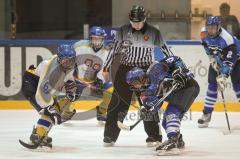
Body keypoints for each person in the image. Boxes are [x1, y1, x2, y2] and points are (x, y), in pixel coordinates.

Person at [102, 5, 168, 147]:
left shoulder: (153, 32)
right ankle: (109, 135)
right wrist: (106, 67)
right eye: (133, 22)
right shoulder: (123, 31)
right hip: (125, 69)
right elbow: (114, 50)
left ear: (144, 19)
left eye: (139, 22)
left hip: (145, 70)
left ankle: (154, 136)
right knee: (117, 102)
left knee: (148, 102)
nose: (136, 25)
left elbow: (165, 48)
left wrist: (173, 63)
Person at [126, 50, 200, 155]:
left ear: (140, 78)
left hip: (188, 86)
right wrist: (146, 109)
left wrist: (179, 71)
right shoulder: (146, 93)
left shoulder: (155, 69)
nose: (134, 87)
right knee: (166, 122)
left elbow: (175, 59)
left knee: (171, 112)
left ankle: (172, 141)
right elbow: (156, 105)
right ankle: (178, 139)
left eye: (134, 83)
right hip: (179, 93)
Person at [21, 44, 84, 148]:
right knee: (50, 111)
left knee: (53, 111)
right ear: (59, 59)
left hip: (42, 86)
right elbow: (41, 93)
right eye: (64, 60)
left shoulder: (73, 66)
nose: (67, 63)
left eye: (70, 60)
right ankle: (37, 135)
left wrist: (72, 92)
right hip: (31, 84)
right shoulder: (49, 67)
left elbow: (70, 81)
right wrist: (50, 107)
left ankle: (39, 134)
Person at [198, 16, 240, 128]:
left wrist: (224, 75)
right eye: (208, 27)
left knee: (238, 87)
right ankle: (206, 114)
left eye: (213, 28)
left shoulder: (227, 39)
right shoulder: (203, 33)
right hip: (218, 58)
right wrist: (212, 59)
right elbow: (207, 47)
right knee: (212, 85)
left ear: (219, 27)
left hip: (236, 59)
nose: (210, 30)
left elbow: (231, 59)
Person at [73, 26, 113, 126]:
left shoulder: (107, 52)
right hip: (76, 78)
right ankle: (66, 111)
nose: (97, 41)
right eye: (95, 38)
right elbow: (67, 59)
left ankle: (102, 111)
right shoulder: (79, 45)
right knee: (69, 100)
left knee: (111, 89)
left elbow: (104, 70)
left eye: (99, 39)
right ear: (90, 38)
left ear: (103, 39)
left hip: (92, 80)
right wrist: (71, 75)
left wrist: (100, 81)